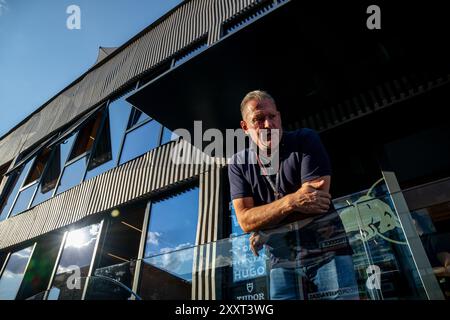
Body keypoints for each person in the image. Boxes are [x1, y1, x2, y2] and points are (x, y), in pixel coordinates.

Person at [228, 90, 359, 300]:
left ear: (279, 116)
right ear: (245, 127)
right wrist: (292, 200)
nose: (268, 125)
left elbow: (318, 201)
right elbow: (245, 220)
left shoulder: (305, 139)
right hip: (282, 263)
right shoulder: (238, 163)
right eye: (258, 119)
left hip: (329, 252)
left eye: (272, 116)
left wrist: (266, 229)